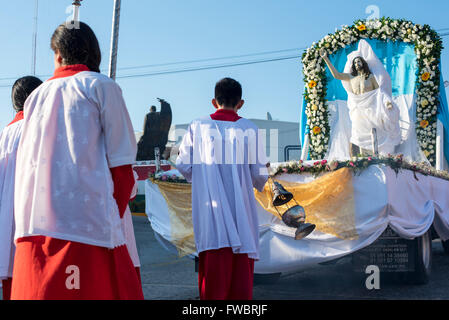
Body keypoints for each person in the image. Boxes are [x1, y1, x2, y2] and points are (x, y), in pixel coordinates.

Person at [11, 22, 143, 300]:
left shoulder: (35, 97)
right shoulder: (102, 86)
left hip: (36, 225)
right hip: (89, 227)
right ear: (94, 53)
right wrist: (111, 216)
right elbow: (122, 167)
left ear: (58, 55)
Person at [176, 78, 268, 300]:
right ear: (241, 103)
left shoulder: (198, 126)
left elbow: (183, 165)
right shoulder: (250, 128)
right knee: (241, 286)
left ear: (213, 101)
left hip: (212, 216)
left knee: (213, 286)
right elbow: (259, 175)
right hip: (241, 217)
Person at [320, 39, 401, 157]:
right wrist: (325, 59)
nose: (357, 64)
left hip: (371, 108)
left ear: (363, 63)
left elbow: (379, 92)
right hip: (358, 109)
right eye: (355, 62)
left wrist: (387, 103)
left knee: (376, 131)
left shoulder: (370, 77)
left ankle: (379, 155)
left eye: (359, 61)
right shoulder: (351, 77)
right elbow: (336, 75)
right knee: (358, 133)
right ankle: (361, 157)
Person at [0, 76, 42, 300]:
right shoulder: (41, 127)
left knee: (12, 281)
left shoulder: (5, 133)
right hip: (35, 215)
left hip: (8, 218)